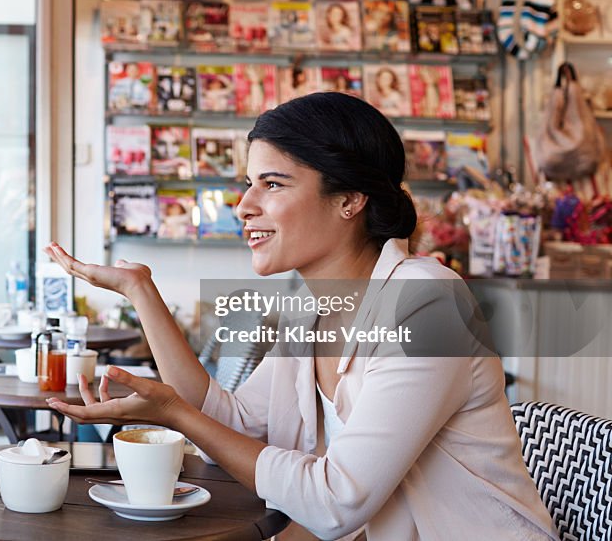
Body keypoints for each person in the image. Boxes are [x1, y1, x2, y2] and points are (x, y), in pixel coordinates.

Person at [44, 92, 558, 540]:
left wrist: (174, 414)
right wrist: (142, 292)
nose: (243, 205)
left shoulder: (428, 304)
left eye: (272, 184)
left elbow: (337, 501)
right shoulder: (314, 309)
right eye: (248, 183)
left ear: (350, 199)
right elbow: (230, 419)